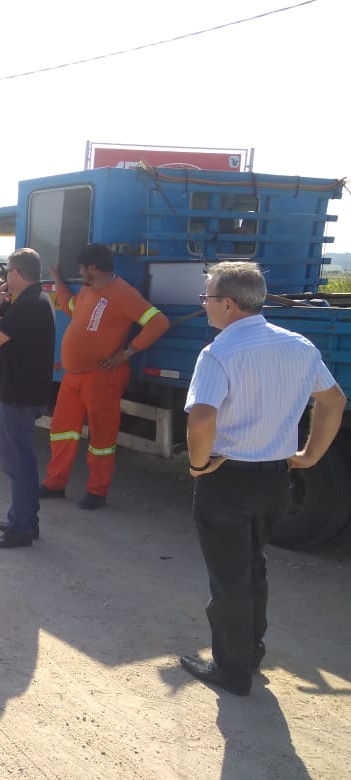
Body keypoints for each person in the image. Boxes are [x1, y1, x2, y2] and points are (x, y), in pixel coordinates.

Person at [179, 261, 345, 696]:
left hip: (229, 479)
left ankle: (231, 671)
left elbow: (201, 419)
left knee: (229, 578)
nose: (205, 305)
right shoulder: (299, 346)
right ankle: (250, 653)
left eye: (207, 298)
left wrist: (198, 465)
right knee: (254, 566)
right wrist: (309, 456)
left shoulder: (218, 352)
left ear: (228, 304)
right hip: (275, 480)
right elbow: (333, 401)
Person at [43, 243, 170, 510]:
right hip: (73, 377)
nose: (79, 272)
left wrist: (127, 352)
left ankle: (97, 492)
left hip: (102, 378)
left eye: (81, 268)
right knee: (62, 431)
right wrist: (57, 280)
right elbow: (69, 306)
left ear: (93, 268)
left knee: (101, 438)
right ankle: (55, 484)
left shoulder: (123, 293)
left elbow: (159, 322)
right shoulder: (90, 290)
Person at [0, 248, 56, 548]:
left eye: (7, 273)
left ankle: (21, 528)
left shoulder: (26, 306)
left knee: (17, 463)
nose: (4, 278)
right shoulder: (36, 299)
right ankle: (25, 520)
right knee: (23, 459)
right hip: (24, 392)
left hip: (16, 395)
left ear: (15, 273)